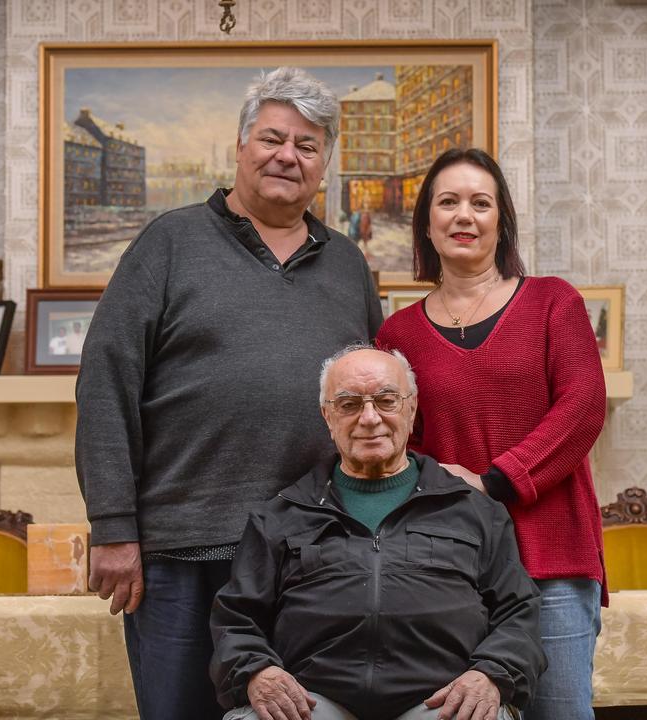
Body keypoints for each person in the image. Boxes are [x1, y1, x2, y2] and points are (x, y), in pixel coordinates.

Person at [75, 67, 382, 720]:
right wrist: (112, 526)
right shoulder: (169, 243)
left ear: (324, 163)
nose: (286, 156)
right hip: (181, 552)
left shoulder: (349, 265)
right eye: (273, 138)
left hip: (315, 556)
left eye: (306, 145)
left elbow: (377, 404)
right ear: (240, 148)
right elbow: (106, 384)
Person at [375, 148, 607, 720]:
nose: (464, 216)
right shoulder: (398, 332)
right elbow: (400, 444)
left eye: (481, 203)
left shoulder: (554, 301)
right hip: (454, 571)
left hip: (552, 558)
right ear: (426, 223)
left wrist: (493, 480)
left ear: (501, 221)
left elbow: (583, 407)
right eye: (447, 202)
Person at [211, 346, 544, 720]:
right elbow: (237, 619)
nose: (369, 418)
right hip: (312, 701)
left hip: (441, 701)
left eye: (386, 400)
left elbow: (520, 612)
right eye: (349, 404)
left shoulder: (475, 510)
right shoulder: (280, 515)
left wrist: (491, 675)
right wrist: (257, 672)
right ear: (327, 416)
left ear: (412, 408)